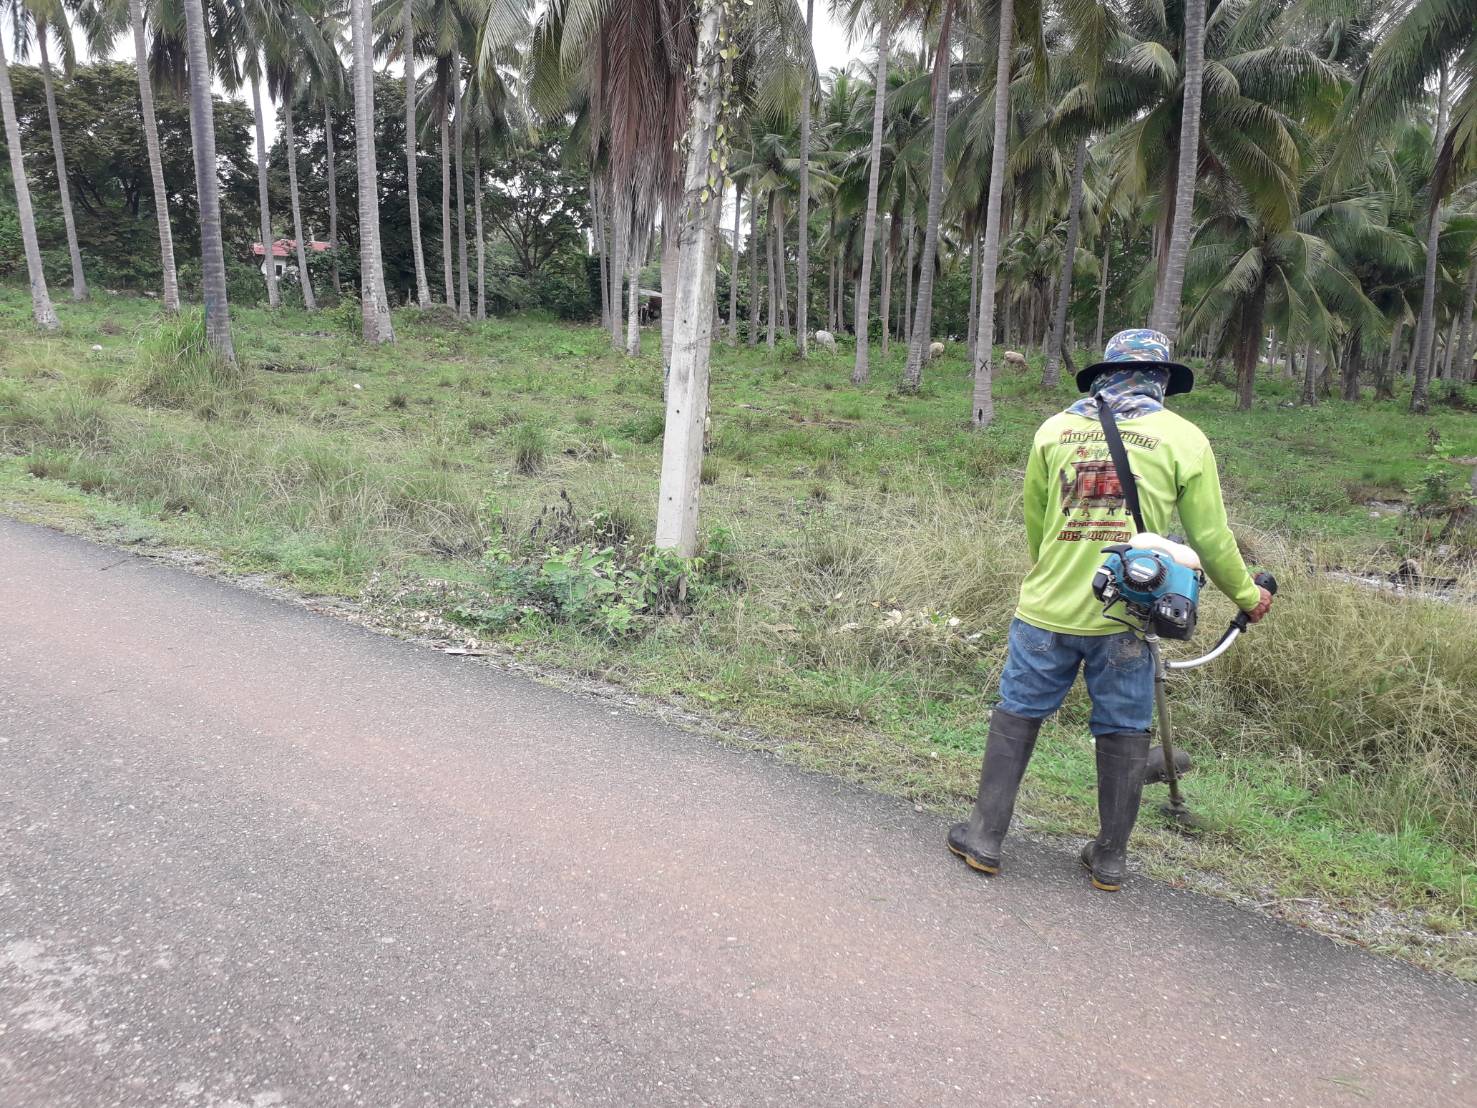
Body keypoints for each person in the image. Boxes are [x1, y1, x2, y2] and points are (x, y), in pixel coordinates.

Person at [947, 328, 1273, 891]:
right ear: (1162, 380)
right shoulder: (1184, 437)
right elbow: (1211, 538)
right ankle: (1109, 859)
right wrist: (1249, 597)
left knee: (1019, 713)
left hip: (1047, 609)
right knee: (1124, 727)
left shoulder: (1055, 430)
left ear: (1104, 376)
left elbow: (1036, 520)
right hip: (1129, 615)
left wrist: (1054, 574)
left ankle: (984, 837)